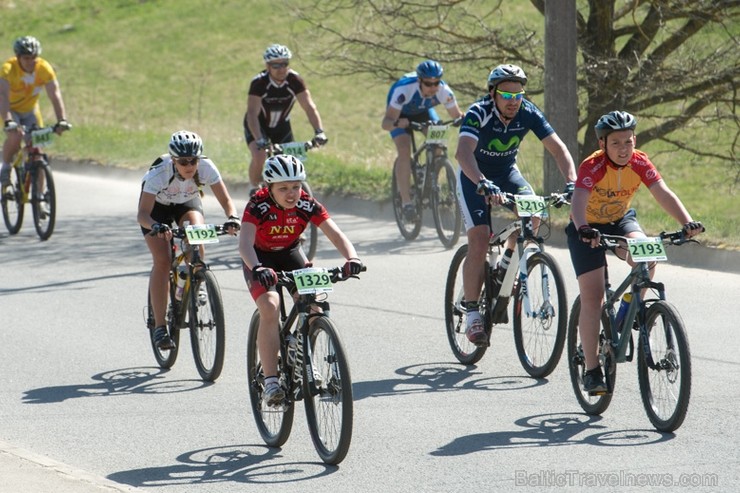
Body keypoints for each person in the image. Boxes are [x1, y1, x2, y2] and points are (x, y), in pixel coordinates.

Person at [567, 110, 703, 394]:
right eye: (616, 143)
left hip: (620, 220)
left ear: (635, 140)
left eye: (628, 142)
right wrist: (582, 228)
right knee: (593, 296)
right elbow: (578, 201)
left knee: (647, 255)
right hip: (588, 228)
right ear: (602, 144)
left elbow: (662, 191)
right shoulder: (592, 166)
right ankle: (592, 370)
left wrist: (686, 222)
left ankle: (631, 308)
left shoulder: (640, 161)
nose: (623, 149)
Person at [455, 63, 578, 346]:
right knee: (479, 240)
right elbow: (463, 153)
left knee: (534, 215)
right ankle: (473, 313)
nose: (513, 102)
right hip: (475, 176)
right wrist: (482, 182)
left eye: (518, 95)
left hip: (507, 174)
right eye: (507, 96)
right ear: (493, 94)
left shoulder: (528, 112)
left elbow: (559, 149)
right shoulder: (478, 113)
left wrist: (572, 181)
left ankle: (506, 265)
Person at [239, 154, 363, 407]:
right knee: (270, 306)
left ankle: (302, 356)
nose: (291, 193)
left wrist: (352, 258)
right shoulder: (258, 205)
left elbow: (335, 233)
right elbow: (244, 244)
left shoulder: (307, 204)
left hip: (291, 254)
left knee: (314, 306)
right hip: (259, 258)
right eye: (283, 188)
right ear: (269, 188)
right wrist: (258, 267)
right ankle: (272, 381)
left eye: (295, 186)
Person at [138, 131, 240, 351]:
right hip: (157, 210)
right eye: (183, 162)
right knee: (163, 261)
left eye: (193, 160)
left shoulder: (206, 168)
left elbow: (226, 200)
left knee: (196, 235)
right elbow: (142, 215)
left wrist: (232, 218)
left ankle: (195, 280)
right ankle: (160, 326)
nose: (189, 166)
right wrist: (156, 226)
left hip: (187, 204)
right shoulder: (159, 173)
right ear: (174, 160)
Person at [381, 60, 463, 221]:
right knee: (404, 149)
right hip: (400, 116)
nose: (433, 87)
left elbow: (457, 116)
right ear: (419, 81)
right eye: (428, 83)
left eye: (436, 83)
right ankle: (406, 203)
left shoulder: (444, 91)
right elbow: (386, 123)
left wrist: (463, 119)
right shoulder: (403, 90)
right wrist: (397, 123)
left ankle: (430, 175)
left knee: (438, 142)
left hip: (423, 112)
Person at [243, 44, 327, 194]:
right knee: (259, 154)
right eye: (276, 65)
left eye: (284, 64)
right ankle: (255, 187)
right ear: (268, 66)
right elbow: (252, 114)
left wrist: (319, 131)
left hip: (281, 125)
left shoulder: (295, 80)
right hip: (257, 125)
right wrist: (259, 139)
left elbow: (309, 107)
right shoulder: (259, 83)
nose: (281, 69)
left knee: (288, 160)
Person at [1, 35, 70, 188]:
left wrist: (62, 120)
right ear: (18, 57)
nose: (30, 62)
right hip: (9, 109)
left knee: (38, 152)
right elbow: (3, 96)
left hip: (30, 110)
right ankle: (5, 167)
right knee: (16, 135)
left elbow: (55, 94)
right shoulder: (8, 69)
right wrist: (8, 121)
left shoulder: (43, 68)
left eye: (33, 57)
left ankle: (40, 197)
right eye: (26, 58)